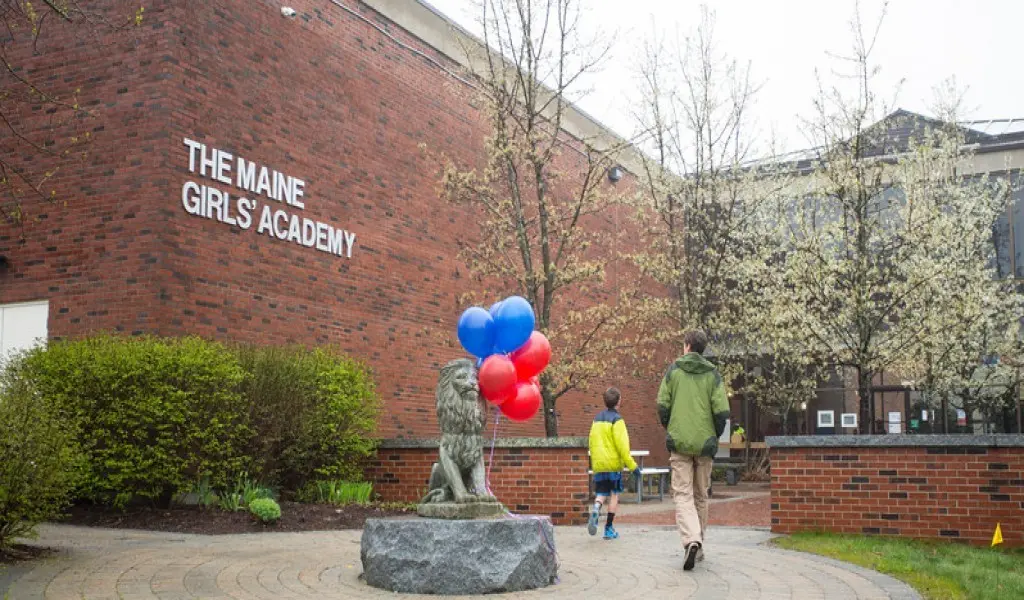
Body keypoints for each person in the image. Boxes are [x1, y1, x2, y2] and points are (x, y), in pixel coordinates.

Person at [657, 330, 730, 570]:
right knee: (701, 494)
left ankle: (691, 539)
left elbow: (662, 405)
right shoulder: (713, 374)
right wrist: (713, 435)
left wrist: (672, 427)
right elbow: (721, 412)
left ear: (687, 346)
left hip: (680, 443)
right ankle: (699, 545)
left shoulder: (673, 371)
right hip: (705, 443)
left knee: (683, 494)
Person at [587, 387, 641, 540]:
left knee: (601, 493)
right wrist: (633, 466)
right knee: (614, 495)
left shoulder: (596, 420)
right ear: (619, 401)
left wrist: (595, 462)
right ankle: (608, 529)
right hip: (613, 465)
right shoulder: (617, 420)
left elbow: (591, 441)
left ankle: (597, 507)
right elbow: (623, 447)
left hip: (599, 465)